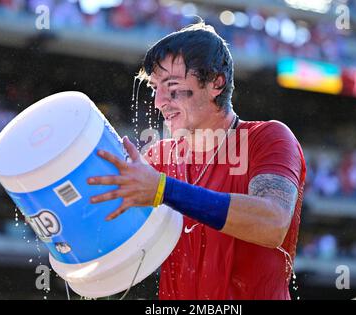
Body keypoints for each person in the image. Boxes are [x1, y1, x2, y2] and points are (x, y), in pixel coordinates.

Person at [88, 22, 307, 300]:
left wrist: (163, 190)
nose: (159, 102)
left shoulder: (269, 137)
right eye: (155, 88)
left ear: (216, 82)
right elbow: (109, 237)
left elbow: (272, 223)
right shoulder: (156, 158)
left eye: (172, 86)